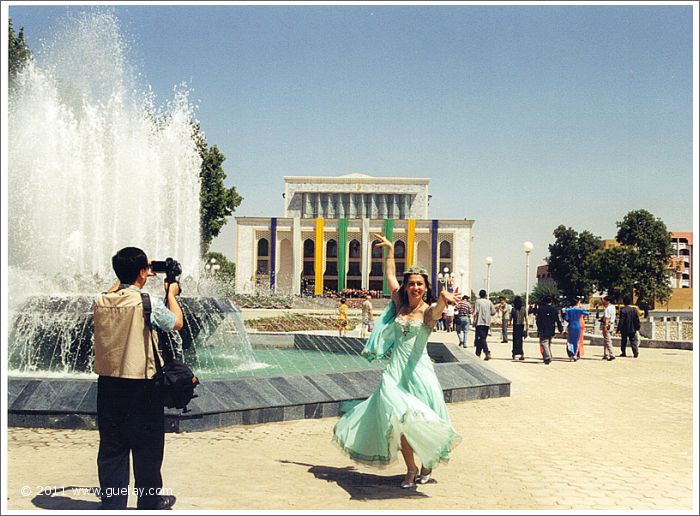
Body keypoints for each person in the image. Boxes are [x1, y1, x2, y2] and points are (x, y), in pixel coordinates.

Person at [333, 234, 462, 489]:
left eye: (420, 284)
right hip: (395, 372)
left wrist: (444, 300)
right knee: (399, 420)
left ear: (426, 288)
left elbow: (436, 313)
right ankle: (411, 469)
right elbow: (390, 277)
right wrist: (390, 251)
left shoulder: (428, 311)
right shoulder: (400, 304)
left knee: (422, 420)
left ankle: (427, 462)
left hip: (419, 373)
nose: (415, 287)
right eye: (412, 283)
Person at [92, 247, 183, 510]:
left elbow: (116, 289)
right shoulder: (148, 303)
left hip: (108, 385)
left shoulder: (100, 300)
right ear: (143, 272)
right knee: (148, 450)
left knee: (112, 449)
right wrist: (171, 294)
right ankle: (150, 501)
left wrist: (134, 272)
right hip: (143, 386)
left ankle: (113, 503)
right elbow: (175, 323)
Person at [535, 295, 563, 365]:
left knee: (544, 342)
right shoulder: (554, 309)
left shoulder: (541, 309)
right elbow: (558, 320)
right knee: (548, 343)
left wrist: (539, 328)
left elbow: (538, 320)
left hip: (543, 328)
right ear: (551, 301)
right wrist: (560, 328)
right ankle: (546, 357)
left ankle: (547, 357)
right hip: (551, 328)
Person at [473, 290, 497, 360]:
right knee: (482, 338)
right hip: (487, 322)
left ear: (479, 295)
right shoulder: (489, 302)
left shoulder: (477, 301)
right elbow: (493, 312)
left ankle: (486, 352)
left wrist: (474, 320)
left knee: (480, 338)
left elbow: (475, 312)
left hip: (479, 322)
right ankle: (477, 354)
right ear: (485, 295)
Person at [509, 296, 528, 360]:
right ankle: (521, 354)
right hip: (521, 326)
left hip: (515, 326)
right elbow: (526, 318)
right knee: (520, 340)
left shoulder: (513, 309)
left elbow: (510, 318)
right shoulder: (523, 308)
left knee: (515, 340)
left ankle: (514, 354)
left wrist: (509, 323)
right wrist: (527, 326)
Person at [600, 296, 617, 361]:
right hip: (612, 324)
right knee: (606, 340)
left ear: (608, 301)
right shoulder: (613, 307)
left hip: (607, 324)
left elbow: (607, 318)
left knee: (608, 340)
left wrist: (606, 326)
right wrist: (602, 300)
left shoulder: (608, 309)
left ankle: (612, 354)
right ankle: (605, 354)